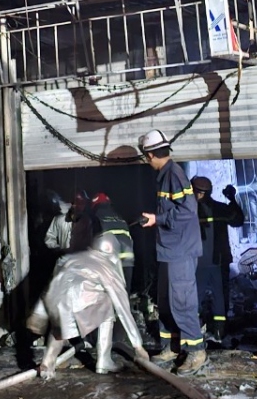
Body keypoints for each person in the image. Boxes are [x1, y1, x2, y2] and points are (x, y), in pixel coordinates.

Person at [26, 232, 151, 378]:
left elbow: (53, 286)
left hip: (55, 302)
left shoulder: (71, 258)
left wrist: (39, 313)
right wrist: (138, 346)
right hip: (79, 303)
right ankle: (104, 360)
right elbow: (122, 307)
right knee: (108, 303)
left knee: (60, 325)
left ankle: (47, 364)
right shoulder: (107, 268)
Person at [137, 129, 206, 375]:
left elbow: (188, 211)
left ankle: (197, 352)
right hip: (170, 250)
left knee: (182, 301)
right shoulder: (165, 175)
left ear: (153, 154)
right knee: (166, 300)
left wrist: (157, 218)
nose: (147, 161)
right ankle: (173, 346)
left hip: (181, 251)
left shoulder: (174, 174)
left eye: (147, 156)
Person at [192, 176, 244, 345]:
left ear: (197, 193)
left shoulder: (189, 211)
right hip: (219, 261)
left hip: (198, 262)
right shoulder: (221, 209)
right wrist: (232, 199)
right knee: (220, 297)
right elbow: (238, 220)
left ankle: (195, 332)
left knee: (195, 297)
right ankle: (220, 332)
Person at [91, 192, 135, 293]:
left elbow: (93, 242)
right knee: (123, 297)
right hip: (127, 262)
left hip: (110, 264)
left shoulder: (97, 218)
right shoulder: (120, 218)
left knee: (108, 298)